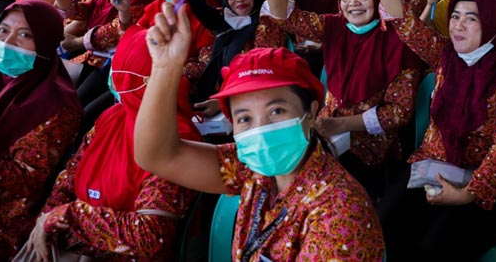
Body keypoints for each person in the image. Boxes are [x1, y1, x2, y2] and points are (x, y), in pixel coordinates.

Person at [133, 28, 385, 261]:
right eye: (245, 118)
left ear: (311, 112)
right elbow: (157, 155)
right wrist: (164, 68)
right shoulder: (251, 170)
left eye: (276, 111)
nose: (261, 130)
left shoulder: (339, 214)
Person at [358, 0, 496, 260]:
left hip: (487, 184)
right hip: (432, 167)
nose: (458, 25)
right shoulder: (446, 56)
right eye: (455, 16)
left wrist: (468, 193)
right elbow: (404, 24)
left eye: (471, 18)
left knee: (434, 247)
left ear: (494, 26)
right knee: (380, 228)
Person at [255, 0, 421, 199]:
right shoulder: (334, 26)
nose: (354, 3)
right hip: (326, 130)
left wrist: (341, 124)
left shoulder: (397, 40)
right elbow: (286, 16)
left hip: (370, 148)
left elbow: (398, 114)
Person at [19, 27, 200, 261]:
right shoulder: (113, 116)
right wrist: (45, 224)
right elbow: (69, 178)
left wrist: (67, 217)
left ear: (151, 79)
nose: (115, 82)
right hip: (76, 243)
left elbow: (150, 237)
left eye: (123, 74)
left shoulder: (177, 139)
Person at [0, 0, 82, 260]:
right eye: (2, 30)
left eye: (24, 35)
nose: (8, 41)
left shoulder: (57, 105)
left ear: (45, 43)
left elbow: (21, 181)